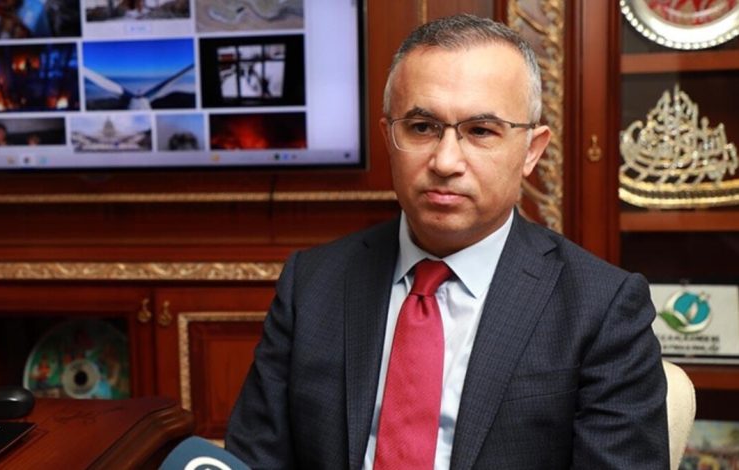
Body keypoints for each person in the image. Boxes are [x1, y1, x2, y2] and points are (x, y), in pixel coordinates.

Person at [225, 14, 669, 469]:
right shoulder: (312, 283)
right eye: (422, 127)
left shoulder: (602, 307)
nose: (445, 161)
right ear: (388, 137)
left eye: (481, 131)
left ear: (531, 151)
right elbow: (254, 458)